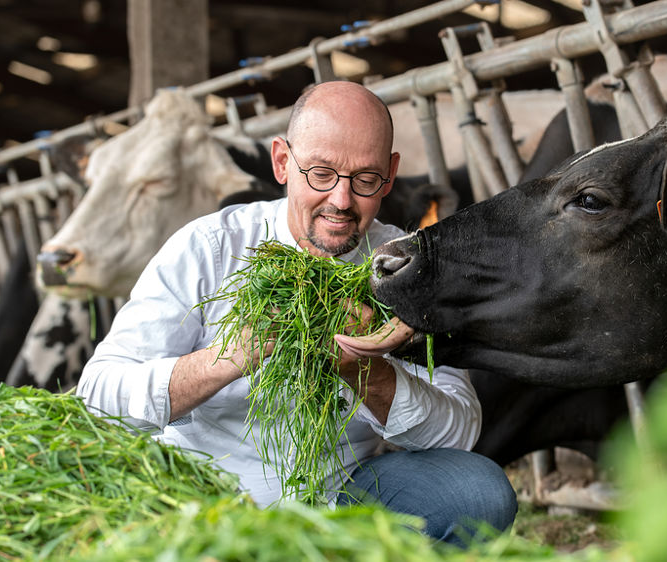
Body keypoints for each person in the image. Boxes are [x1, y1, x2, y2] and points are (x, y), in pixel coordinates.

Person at [76, 80, 517, 546]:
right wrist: (229, 355)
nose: (341, 202)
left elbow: (459, 432)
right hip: (200, 498)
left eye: (365, 180)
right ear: (283, 162)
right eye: (321, 174)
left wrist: (366, 373)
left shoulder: (400, 266)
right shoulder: (209, 247)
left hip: (340, 500)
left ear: (390, 175)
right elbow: (97, 399)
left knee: (479, 493)